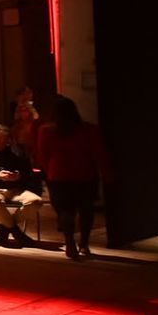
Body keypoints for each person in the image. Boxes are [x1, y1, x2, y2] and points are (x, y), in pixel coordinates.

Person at [33, 96, 111, 259]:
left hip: (59, 175)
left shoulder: (47, 130)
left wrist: (49, 171)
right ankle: (84, 243)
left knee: (65, 211)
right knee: (86, 210)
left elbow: (42, 154)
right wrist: (106, 173)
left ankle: (69, 242)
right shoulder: (89, 129)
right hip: (85, 174)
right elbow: (99, 153)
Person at [11, 86, 40, 155]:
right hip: (22, 133)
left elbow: (36, 117)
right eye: (27, 93)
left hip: (31, 131)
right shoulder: (18, 106)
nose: (30, 95)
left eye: (29, 93)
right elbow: (17, 118)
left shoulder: (32, 105)